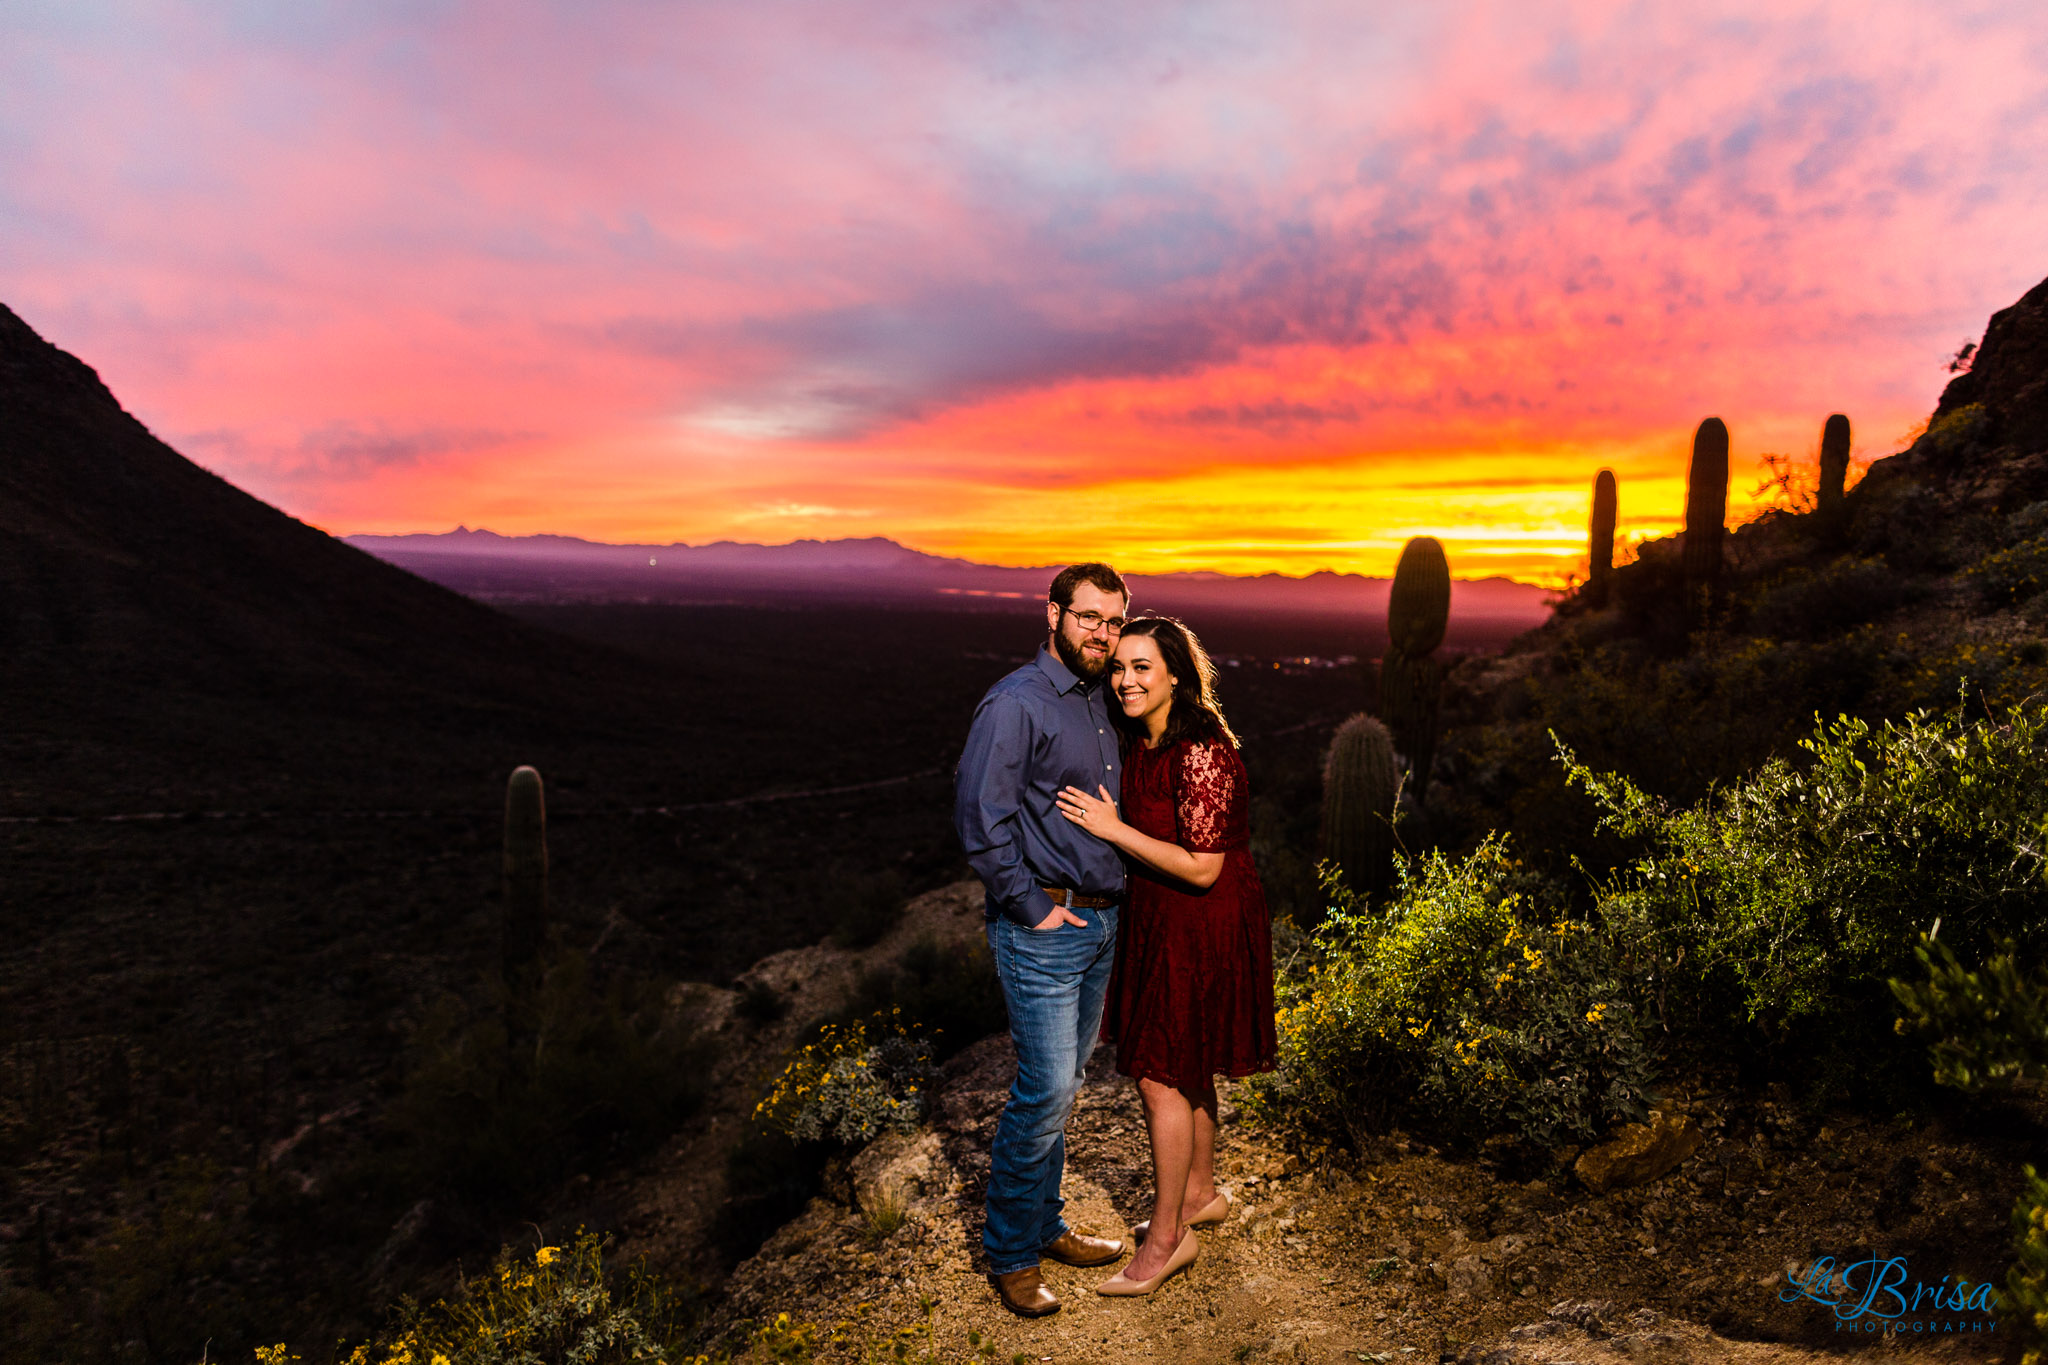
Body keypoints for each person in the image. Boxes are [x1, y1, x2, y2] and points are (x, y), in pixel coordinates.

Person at [1055, 615, 1277, 1296]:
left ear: (1175, 674)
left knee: (1160, 1073)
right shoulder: (1144, 738)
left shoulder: (1200, 751)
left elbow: (1205, 866)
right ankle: (1202, 1192)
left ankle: (1166, 1238)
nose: (1125, 679)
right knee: (1189, 1057)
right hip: (1164, 914)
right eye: (1119, 666)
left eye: (1142, 667)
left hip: (1202, 918)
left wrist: (1113, 830)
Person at [954, 562, 1135, 1318]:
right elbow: (979, 820)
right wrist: (1033, 908)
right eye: (1089, 617)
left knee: (1069, 1085)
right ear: (1053, 613)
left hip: (1101, 921)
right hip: (1046, 929)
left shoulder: (1103, 700)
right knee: (1046, 1088)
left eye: (1115, 621)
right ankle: (1011, 1253)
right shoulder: (1016, 703)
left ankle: (1047, 1222)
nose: (1102, 633)